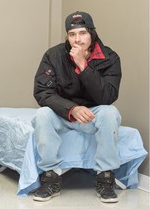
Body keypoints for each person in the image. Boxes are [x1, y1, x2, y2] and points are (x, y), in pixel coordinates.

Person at [32, 11, 122, 203]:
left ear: (92, 33)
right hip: (63, 113)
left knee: (110, 113)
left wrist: (83, 65)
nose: (77, 39)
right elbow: (42, 92)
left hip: (93, 114)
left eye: (82, 33)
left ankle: (105, 176)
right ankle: (50, 176)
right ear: (67, 36)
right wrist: (71, 109)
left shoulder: (110, 58)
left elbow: (108, 96)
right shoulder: (53, 55)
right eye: (72, 35)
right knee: (42, 115)